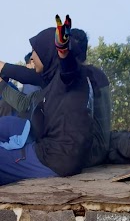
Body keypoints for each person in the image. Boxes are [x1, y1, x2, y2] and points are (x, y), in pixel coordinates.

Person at [0, 16, 93, 186]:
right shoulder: (53, 77)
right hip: (54, 151)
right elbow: (26, 74)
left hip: (54, 158)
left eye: (35, 51)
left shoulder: (70, 76)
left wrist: (64, 53)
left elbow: (69, 68)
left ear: (47, 52)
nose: (32, 58)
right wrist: (2, 67)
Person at [0, 29, 111, 167]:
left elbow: (29, 85)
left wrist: (3, 71)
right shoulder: (95, 74)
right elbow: (30, 77)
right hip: (97, 148)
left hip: (86, 153)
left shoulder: (71, 78)